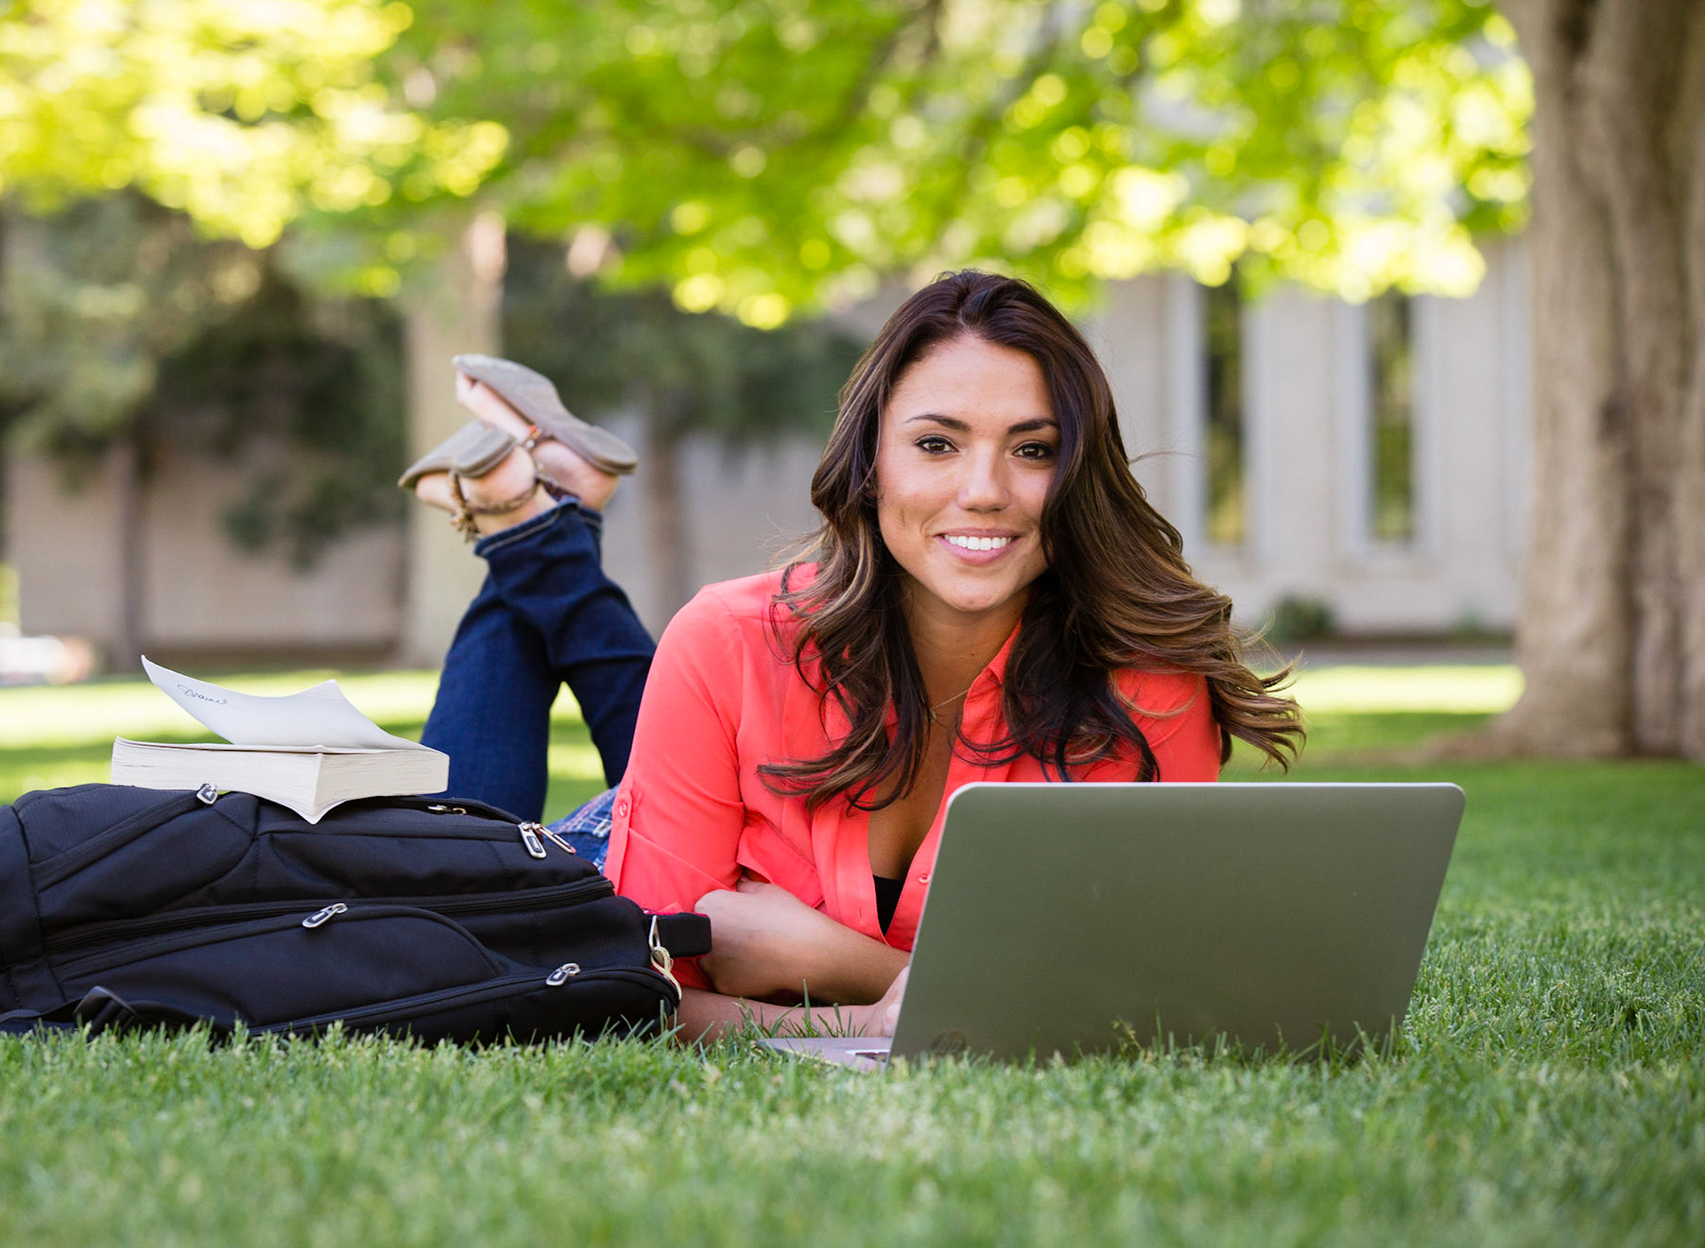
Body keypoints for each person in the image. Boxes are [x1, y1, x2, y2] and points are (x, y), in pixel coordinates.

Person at [406, 271, 1303, 1044]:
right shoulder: (736, 637)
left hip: (728, 808)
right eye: (936, 444)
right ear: (870, 460)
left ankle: (533, 517)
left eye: (1034, 450)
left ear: (1079, 475)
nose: (984, 491)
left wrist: (835, 967)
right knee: (437, 887)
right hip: (606, 852)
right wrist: (886, 1012)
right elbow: (645, 989)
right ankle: (532, 522)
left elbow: (1150, 1003)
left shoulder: (1147, 689)